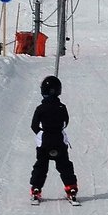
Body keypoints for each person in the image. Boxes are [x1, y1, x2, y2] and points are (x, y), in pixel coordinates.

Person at [30, 73, 78, 202]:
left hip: (44, 142)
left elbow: (34, 125)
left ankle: (36, 188)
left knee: (41, 165)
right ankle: (71, 187)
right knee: (64, 165)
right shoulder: (62, 107)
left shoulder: (40, 108)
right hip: (58, 141)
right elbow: (65, 122)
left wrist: (41, 133)